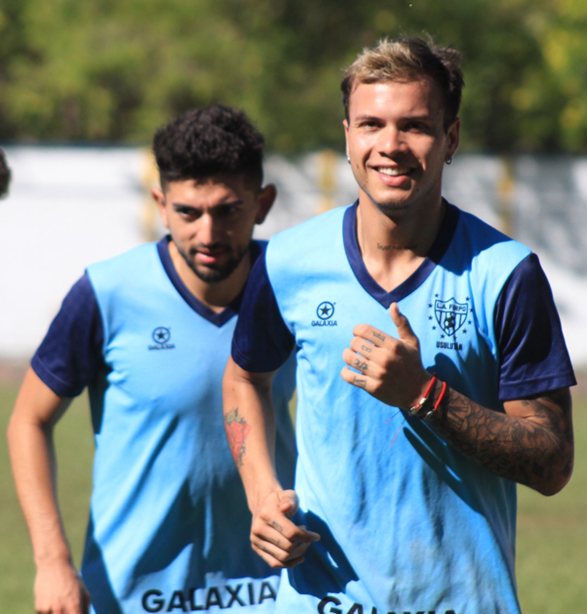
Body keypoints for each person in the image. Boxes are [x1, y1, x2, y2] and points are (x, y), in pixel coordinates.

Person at [222, 37, 575, 614]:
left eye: (414, 125)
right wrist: (262, 495)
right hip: (320, 600)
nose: (390, 146)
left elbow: (553, 461)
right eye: (371, 125)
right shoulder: (287, 262)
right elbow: (244, 379)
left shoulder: (506, 274)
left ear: (450, 139)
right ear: (347, 135)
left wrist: (424, 394)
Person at [8, 104, 297, 614]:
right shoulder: (107, 292)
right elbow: (28, 420)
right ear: (161, 205)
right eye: (188, 212)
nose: (208, 234)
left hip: (273, 591)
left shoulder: (295, 287)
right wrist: (53, 562)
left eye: (228, 210)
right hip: (131, 597)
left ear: (263, 203)